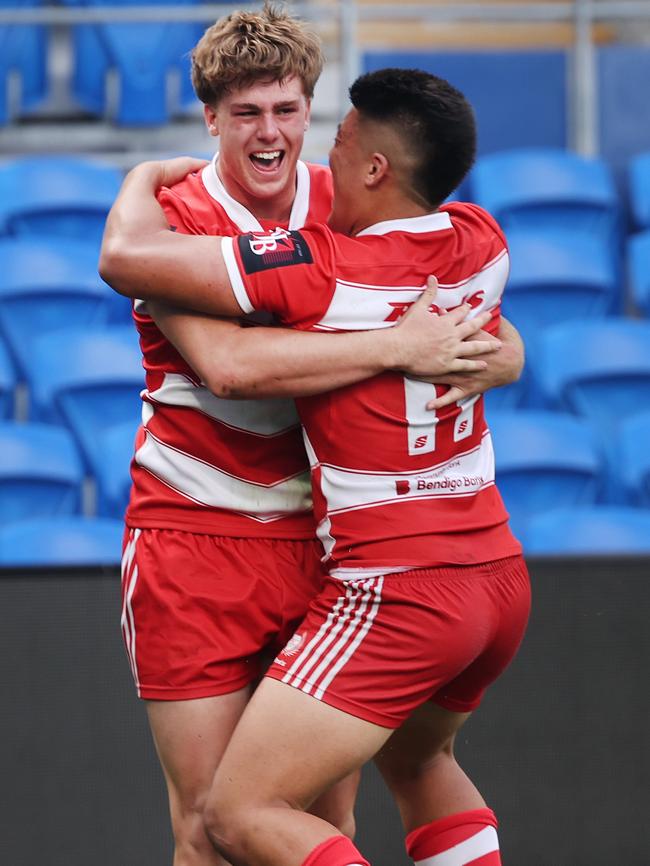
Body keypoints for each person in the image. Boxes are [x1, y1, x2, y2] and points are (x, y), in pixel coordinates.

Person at [106, 22, 525, 866]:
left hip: (323, 544)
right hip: (198, 531)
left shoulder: (346, 196)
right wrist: (396, 347)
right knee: (208, 827)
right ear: (211, 118)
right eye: (247, 111)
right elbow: (225, 365)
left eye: (289, 110)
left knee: (311, 824)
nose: (271, 132)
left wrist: (507, 354)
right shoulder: (175, 219)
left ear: (312, 111)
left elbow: (478, 321)